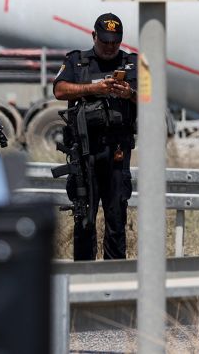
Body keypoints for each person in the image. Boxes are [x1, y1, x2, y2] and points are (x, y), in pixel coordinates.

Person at [53, 13, 138, 260]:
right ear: (94, 37)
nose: (110, 47)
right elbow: (59, 89)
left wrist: (129, 93)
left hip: (117, 152)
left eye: (115, 42)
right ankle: (82, 277)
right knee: (84, 219)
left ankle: (114, 278)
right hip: (84, 152)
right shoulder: (77, 61)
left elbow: (150, 95)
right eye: (105, 42)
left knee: (116, 219)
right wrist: (93, 88)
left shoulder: (132, 63)